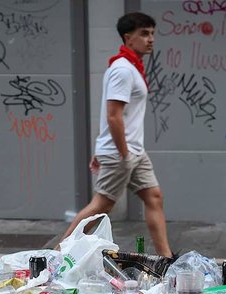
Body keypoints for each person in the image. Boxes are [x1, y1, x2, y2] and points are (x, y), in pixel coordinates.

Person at [61, 12, 173, 258]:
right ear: (128, 38)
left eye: (152, 33)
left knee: (154, 196)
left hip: (133, 150)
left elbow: (109, 116)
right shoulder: (122, 70)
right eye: (144, 33)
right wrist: (122, 154)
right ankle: (56, 255)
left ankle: (166, 259)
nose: (151, 39)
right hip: (123, 152)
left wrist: (119, 151)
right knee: (101, 206)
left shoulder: (132, 67)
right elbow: (113, 115)